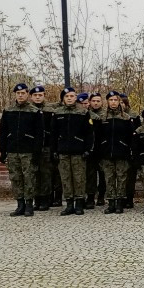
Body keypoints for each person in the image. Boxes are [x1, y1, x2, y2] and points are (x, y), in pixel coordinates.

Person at [0, 83, 44, 217]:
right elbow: (3, 132)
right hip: (13, 149)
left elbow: (39, 134)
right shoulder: (8, 111)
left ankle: (29, 203)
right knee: (15, 177)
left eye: (23, 93)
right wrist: (3, 151)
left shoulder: (34, 111)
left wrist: (37, 152)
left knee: (29, 177)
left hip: (28, 151)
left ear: (27, 94)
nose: (20, 95)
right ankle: (20, 204)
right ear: (15, 94)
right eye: (18, 93)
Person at [51, 86, 95, 216]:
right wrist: (54, 150)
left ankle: (79, 203)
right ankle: (69, 204)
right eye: (67, 96)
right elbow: (53, 134)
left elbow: (89, 134)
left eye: (71, 96)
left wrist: (88, 149)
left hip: (78, 151)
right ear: (63, 99)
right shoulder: (57, 113)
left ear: (76, 98)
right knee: (66, 178)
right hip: (63, 151)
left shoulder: (82, 112)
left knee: (79, 178)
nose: (69, 98)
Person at [95, 91, 135, 214]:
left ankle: (119, 202)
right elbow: (97, 136)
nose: (113, 102)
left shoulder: (126, 118)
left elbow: (130, 137)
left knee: (121, 179)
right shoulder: (102, 117)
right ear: (107, 101)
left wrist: (129, 151)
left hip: (122, 153)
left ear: (119, 102)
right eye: (111, 100)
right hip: (106, 153)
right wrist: (99, 151)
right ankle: (111, 202)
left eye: (115, 100)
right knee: (109, 178)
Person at [29, 85, 57, 211]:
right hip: (31, 147)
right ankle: (37, 199)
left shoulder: (50, 111)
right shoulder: (29, 110)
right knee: (34, 174)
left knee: (46, 174)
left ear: (44, 96)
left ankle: (46, 199)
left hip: (46, 146)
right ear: (31, 97)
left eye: (40, 95)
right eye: (35, 95)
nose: (38, 97)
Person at [87, 93, 107, 206]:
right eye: (93, 101)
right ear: (90, 102)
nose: (95, 103)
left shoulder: (105, 115)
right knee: (90, 174)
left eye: (98, 101)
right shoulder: (86, 114)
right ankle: (90, 197)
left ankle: (101, 196)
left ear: (102, 102)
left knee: (103, 173)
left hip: (102, 149)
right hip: (90, 149)